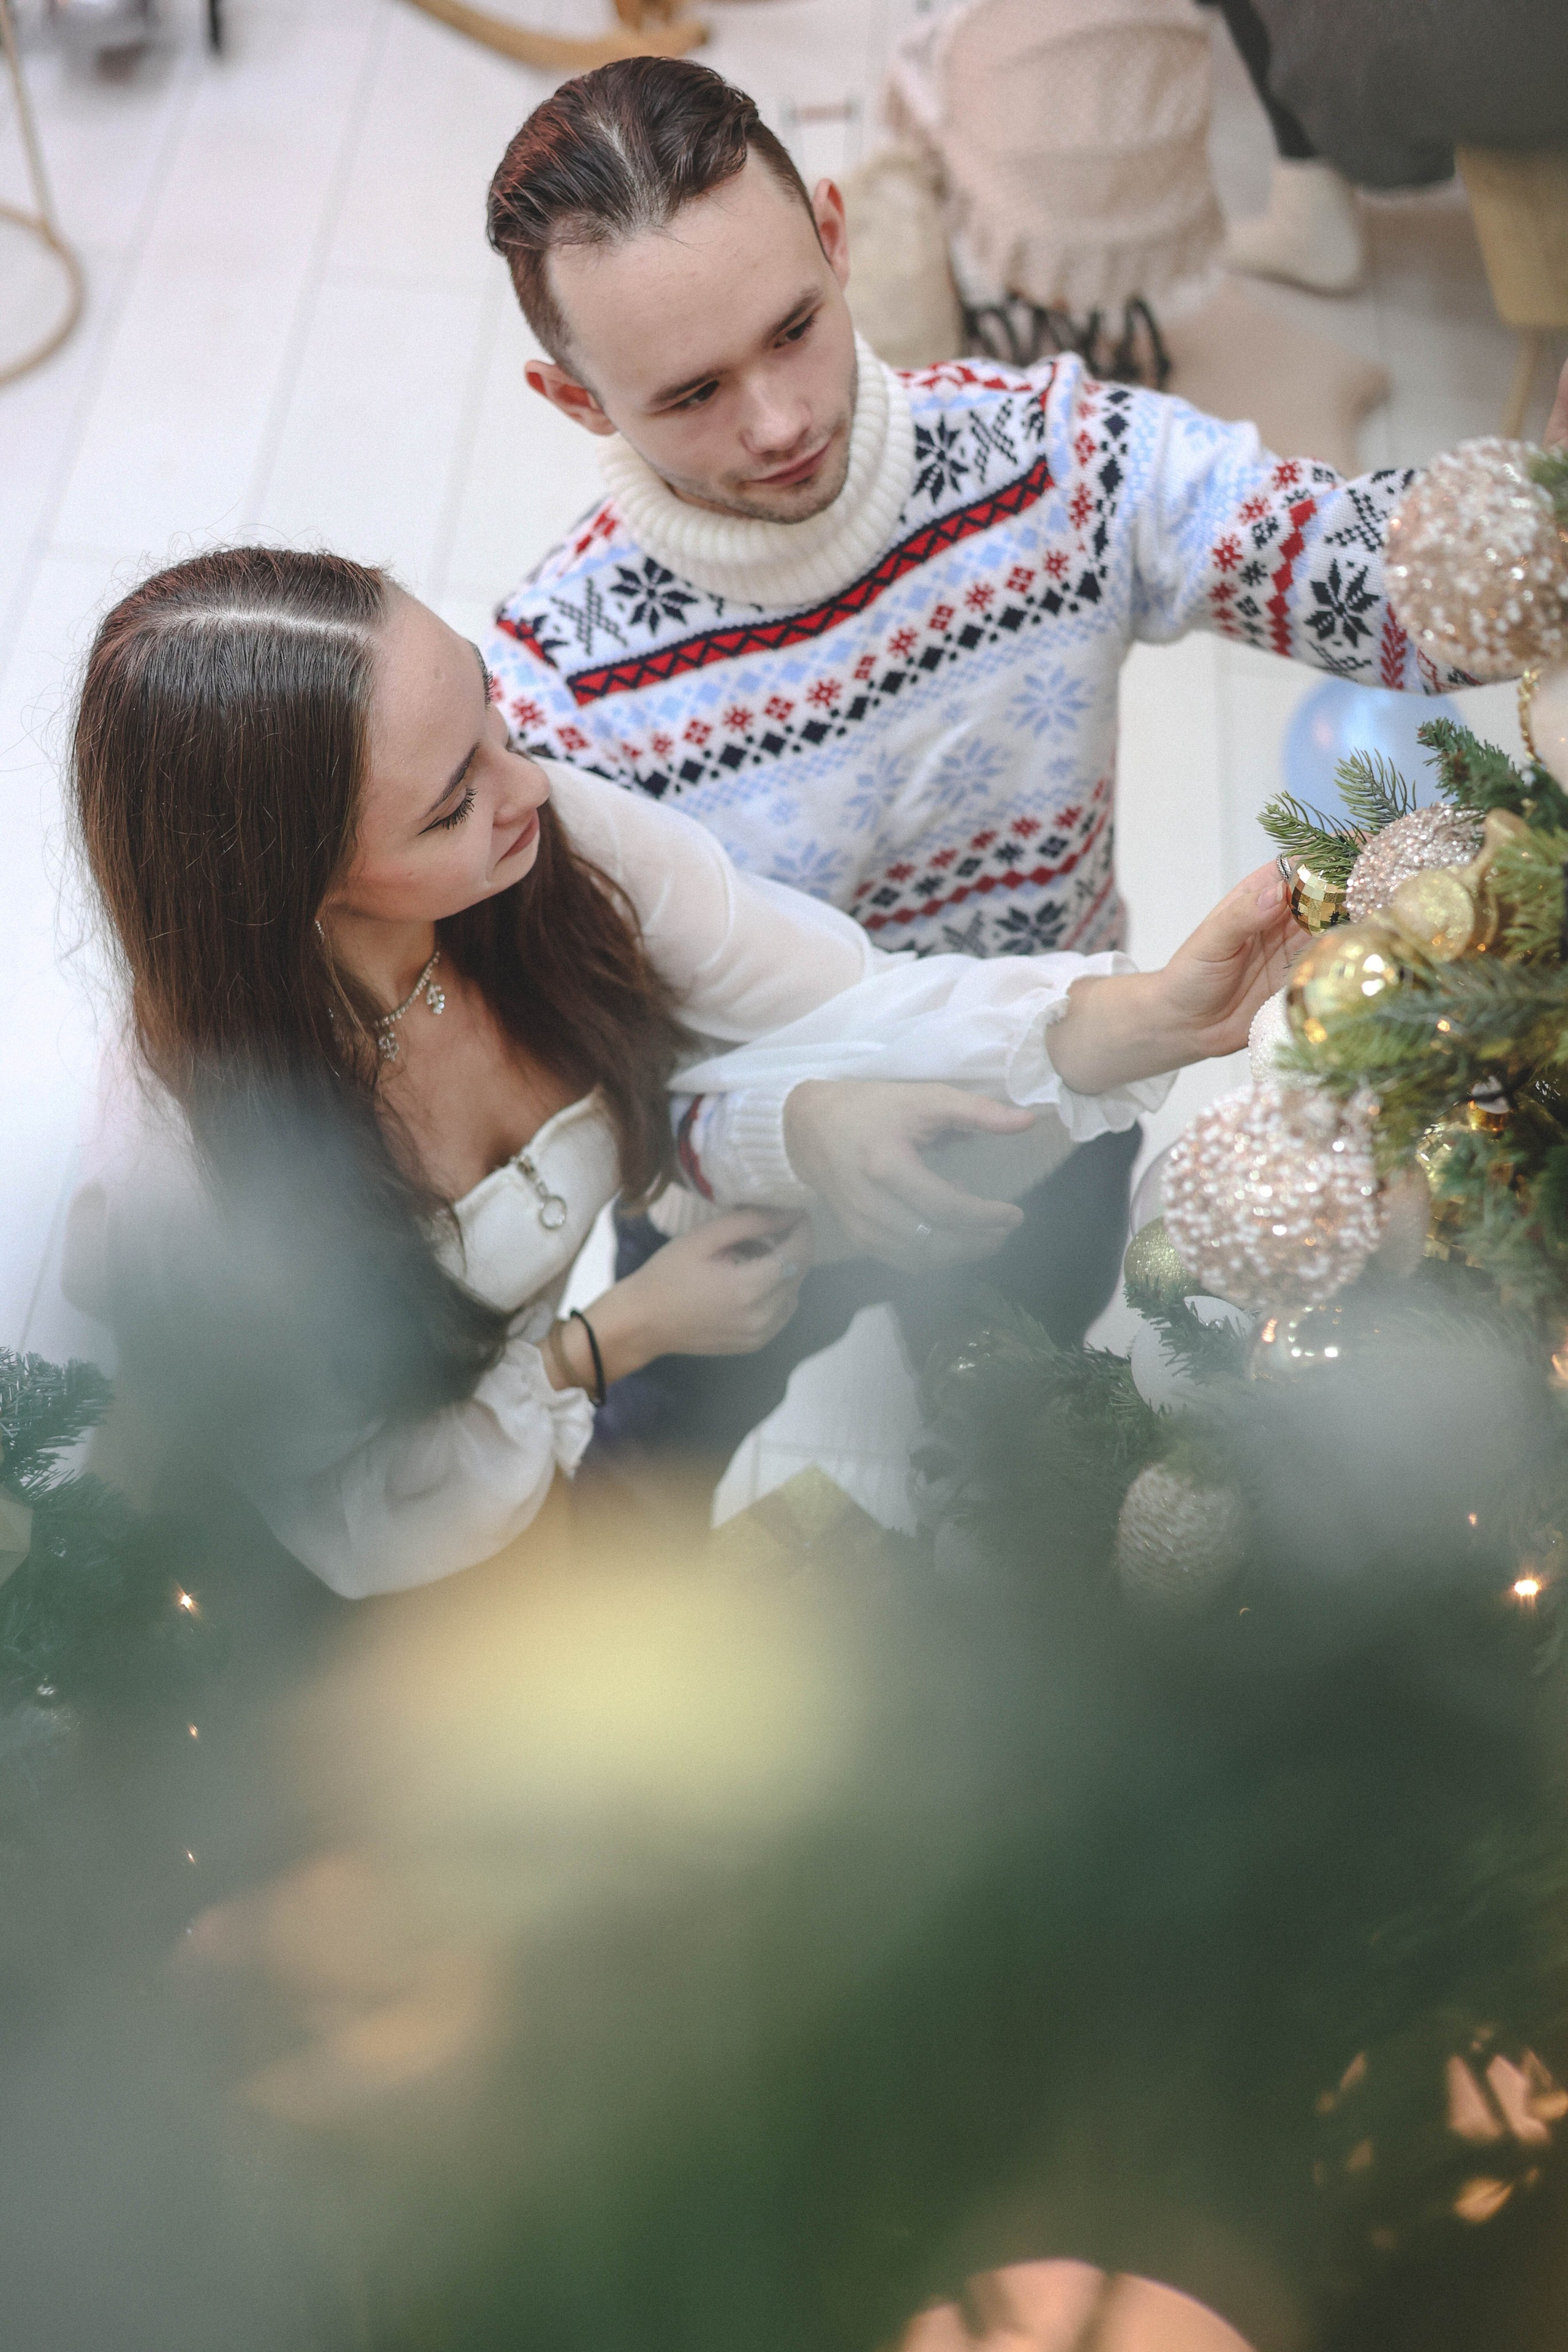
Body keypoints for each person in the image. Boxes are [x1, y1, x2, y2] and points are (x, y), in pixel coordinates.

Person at [480, 57, 1568, 1441]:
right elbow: (592, 1050)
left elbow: (1362, 580)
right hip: (742, 1211)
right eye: (689, 394)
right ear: (573, 399)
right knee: (643, 1500)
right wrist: (784, 1130)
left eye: (795, 328)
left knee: (1020, 1439)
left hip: (1050, 1126)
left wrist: (1532, 533)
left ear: (833, 230)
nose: (778, 420)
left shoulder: (1054, 462)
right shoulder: (546, 692)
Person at [63, 546, 1294, 1599]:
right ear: (296, 887)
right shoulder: (205, 1176)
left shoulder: (553, 850)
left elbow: (841, 1004)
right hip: (382, 1574)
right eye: (449, 805)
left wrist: (1126, 1018)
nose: (530, 782)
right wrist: (614, 1337)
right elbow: (355, 1503)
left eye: (493, 720)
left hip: (530, 1457)